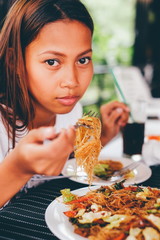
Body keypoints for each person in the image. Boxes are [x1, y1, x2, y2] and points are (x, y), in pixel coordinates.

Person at [0, 0, 129, 208]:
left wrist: (102, 136)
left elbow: (67, 168)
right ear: (14, 61)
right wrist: (19, 167)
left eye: (83, 60)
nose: (72, 81)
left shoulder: (70, 112)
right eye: (52, 62)